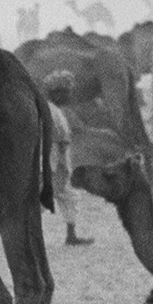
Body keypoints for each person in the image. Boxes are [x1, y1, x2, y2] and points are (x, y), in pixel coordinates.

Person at [39, 73, 93, 246]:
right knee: (42, 200)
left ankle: (71, 235)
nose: (70, 96)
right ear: (57, 94)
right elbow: (60, 141)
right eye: (67, 92)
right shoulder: (52, 112)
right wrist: (63, 166)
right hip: (53, 162)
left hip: (53, 161)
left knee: (68, 196)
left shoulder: (50, 110)